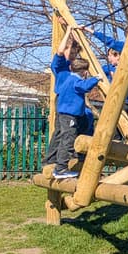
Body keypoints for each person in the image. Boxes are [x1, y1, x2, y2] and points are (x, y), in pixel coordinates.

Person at [44, 25, 99, 179]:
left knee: (87, 119)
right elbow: (60, 51)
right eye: (72, 51)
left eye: (75, 52)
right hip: (64, 102)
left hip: (76, 104)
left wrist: (78, 34)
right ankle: (53, 162)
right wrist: (68, 30)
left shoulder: (74, 68)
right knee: (62, 132)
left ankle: (80, 154)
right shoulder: (61, 67)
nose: (73, 54)